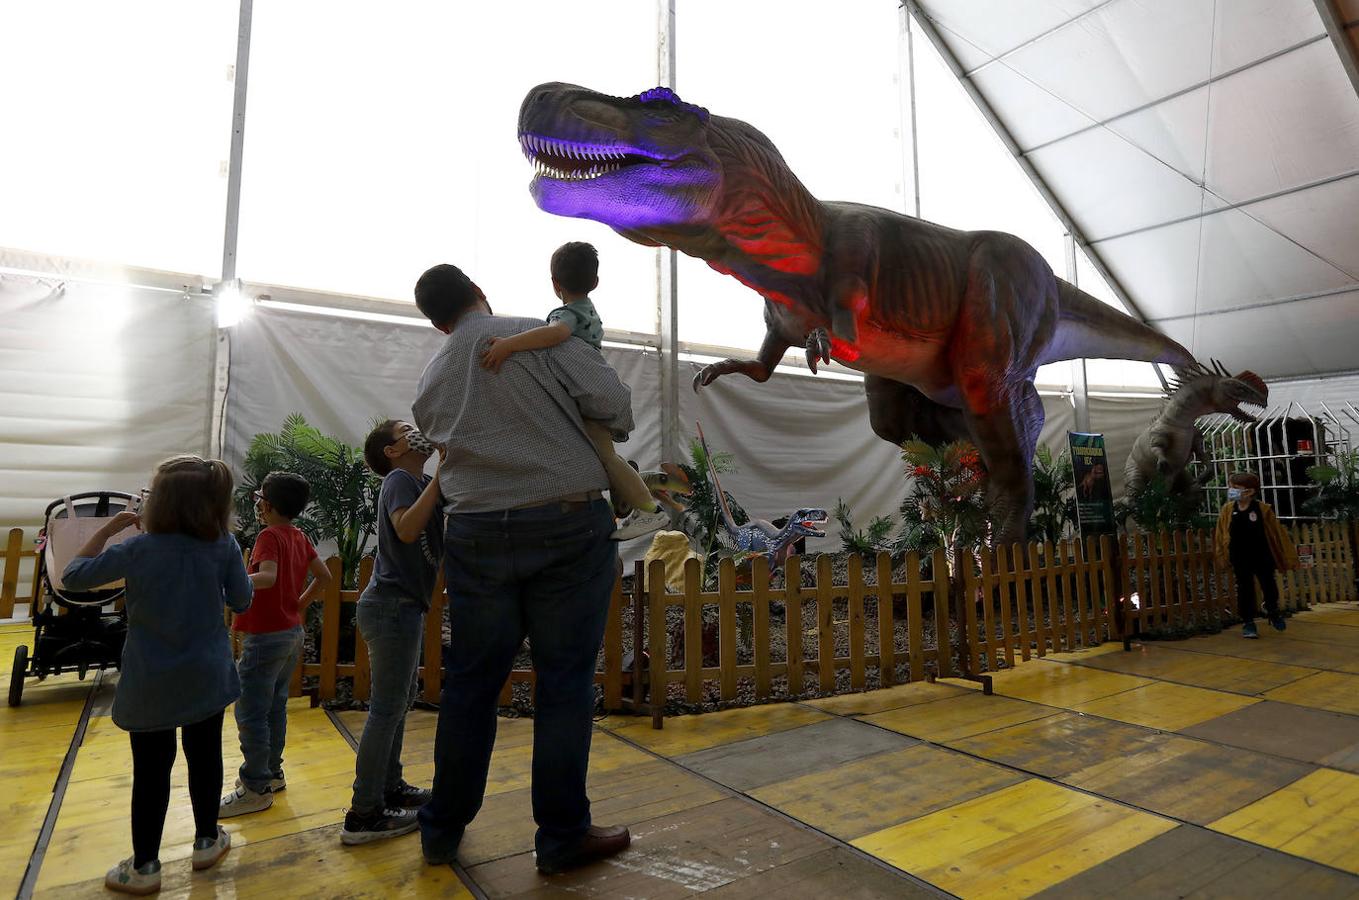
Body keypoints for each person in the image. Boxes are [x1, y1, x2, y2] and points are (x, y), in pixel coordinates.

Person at [411, 262, 632, 875]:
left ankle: (442, 830)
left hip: (477, 532)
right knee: (563, 684)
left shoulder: (431, 379)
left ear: (436, 324)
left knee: (471, 685)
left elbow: (440, 440)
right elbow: (613, 402)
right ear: (480, 294)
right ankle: (561, 839)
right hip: (565, 523)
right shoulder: (538, 332)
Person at [62, 456, 252, 895]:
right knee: (205, 758)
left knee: (151, 771)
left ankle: (145, 865)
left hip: (151, 681)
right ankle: (207, 841)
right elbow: (242, 601)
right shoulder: (223, 544)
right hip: (207, 675)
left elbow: (73, 577)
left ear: (160, 502)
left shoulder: (137, 549)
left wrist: (110, 530)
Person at [479, 241, 668, 542]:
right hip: (600, 392)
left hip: (594, 397)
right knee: (600, 454)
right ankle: (629, 495)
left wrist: (509, 344)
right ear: (595, 282)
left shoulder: (566, 314)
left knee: (607, 458)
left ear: (555, 284)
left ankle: (648, 509)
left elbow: (556, 334)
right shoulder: (589, 310)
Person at [341, 420, 443, 845]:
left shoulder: (418, 482)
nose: (417, 430)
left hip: (403, 606)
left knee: (397, 704)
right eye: (406, 429)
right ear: (392, 451)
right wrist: (440, 478)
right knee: (386, 708)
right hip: (390, 607)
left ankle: (391, 786)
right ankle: (364, 813)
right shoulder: (402, 480)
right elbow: (405, 529)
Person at [220, 472, 331, 817]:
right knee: (275, 706)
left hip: (265, 637)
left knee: (250, 710)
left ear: (266, 504)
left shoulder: (269, 536)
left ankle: (255, 786)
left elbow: (266, 577)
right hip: (291, 634)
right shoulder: (298, 536)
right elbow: (325, 578)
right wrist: (298, 604)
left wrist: (229, 582)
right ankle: (273, 773)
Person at [1214, 471, 1299, 638]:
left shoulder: (1263, 510)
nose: (1231, 491)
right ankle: (1248, 622)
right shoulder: (1228, 510)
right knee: (1245, 588)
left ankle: (1272, 611)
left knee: (1268, 584)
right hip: (1240, 556)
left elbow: (1277, 533)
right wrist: (1222, 554)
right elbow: (1221, 533)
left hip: (1262, 555)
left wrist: (1288, 556)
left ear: (1250, 491)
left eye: (1236, 488)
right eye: (1231, 487)